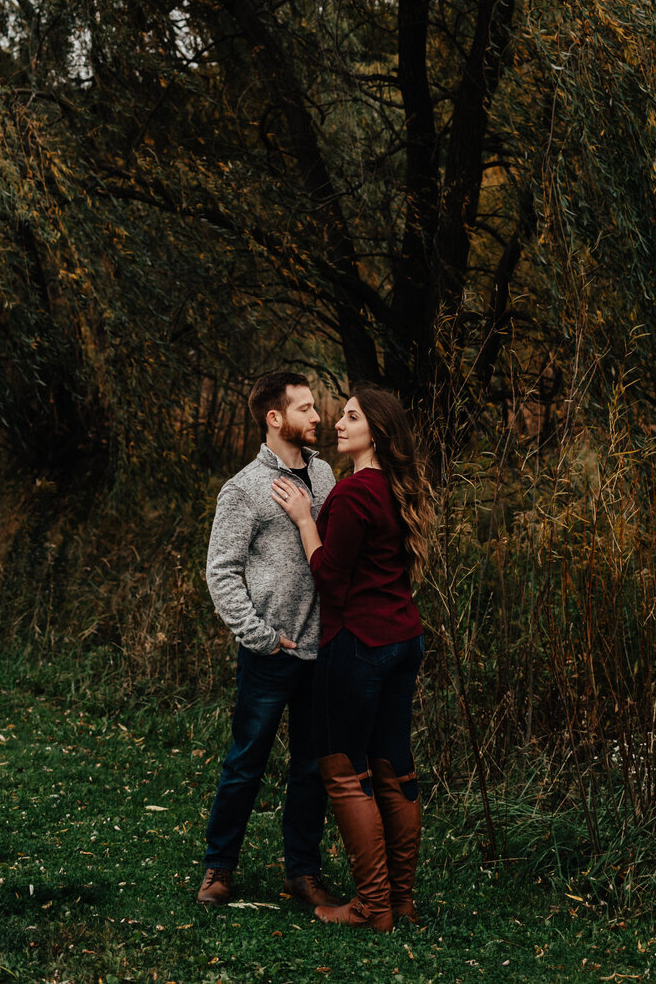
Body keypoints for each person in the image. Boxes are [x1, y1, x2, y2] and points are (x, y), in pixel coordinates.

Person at [271, 385, 433, 932]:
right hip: (404, 640)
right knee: (395, 767)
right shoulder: (400, 488)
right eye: (339, 417)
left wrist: (303, 520)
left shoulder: (352, 494)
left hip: (359, 644)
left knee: (346, 771)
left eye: (353, 418)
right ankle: (401, 902)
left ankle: (371, 906)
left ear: (377, 431)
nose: (339, 425)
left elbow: (328, 577)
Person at [197, 371, 339, 911]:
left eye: (316, 407)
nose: (317, 417)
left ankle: (301, 873)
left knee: (310, 768)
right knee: (246, 760)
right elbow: (222, 573)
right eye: (306, 408)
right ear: (275, 418)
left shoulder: (324, 475)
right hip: (270, 652)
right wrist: (260, 637)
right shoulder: (244, 489)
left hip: (320, 651)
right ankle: (218, 868)